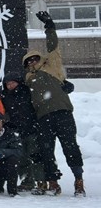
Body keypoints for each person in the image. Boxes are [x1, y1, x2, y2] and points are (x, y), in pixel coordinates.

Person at [23, 11, 85, 197]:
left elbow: (52, 46)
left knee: (70, 147)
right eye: (28, 60)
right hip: (43, 118)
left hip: (63, 113)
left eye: (35, 58)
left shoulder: (52, 65)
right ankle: (53, 182)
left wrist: (49, 26)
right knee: (46, 151)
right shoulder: (28, 78)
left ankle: (79, 180)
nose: (32, 61)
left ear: (40, 58)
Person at [0, 72, 42, 191]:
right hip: (16, 130)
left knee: (36, 155)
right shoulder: (4, 96)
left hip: (32, 128)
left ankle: (41, 181)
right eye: (7, 84)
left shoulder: (28, 92)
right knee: (22, 157)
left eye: (12, 83)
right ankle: (27, 181)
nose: (10, 85)